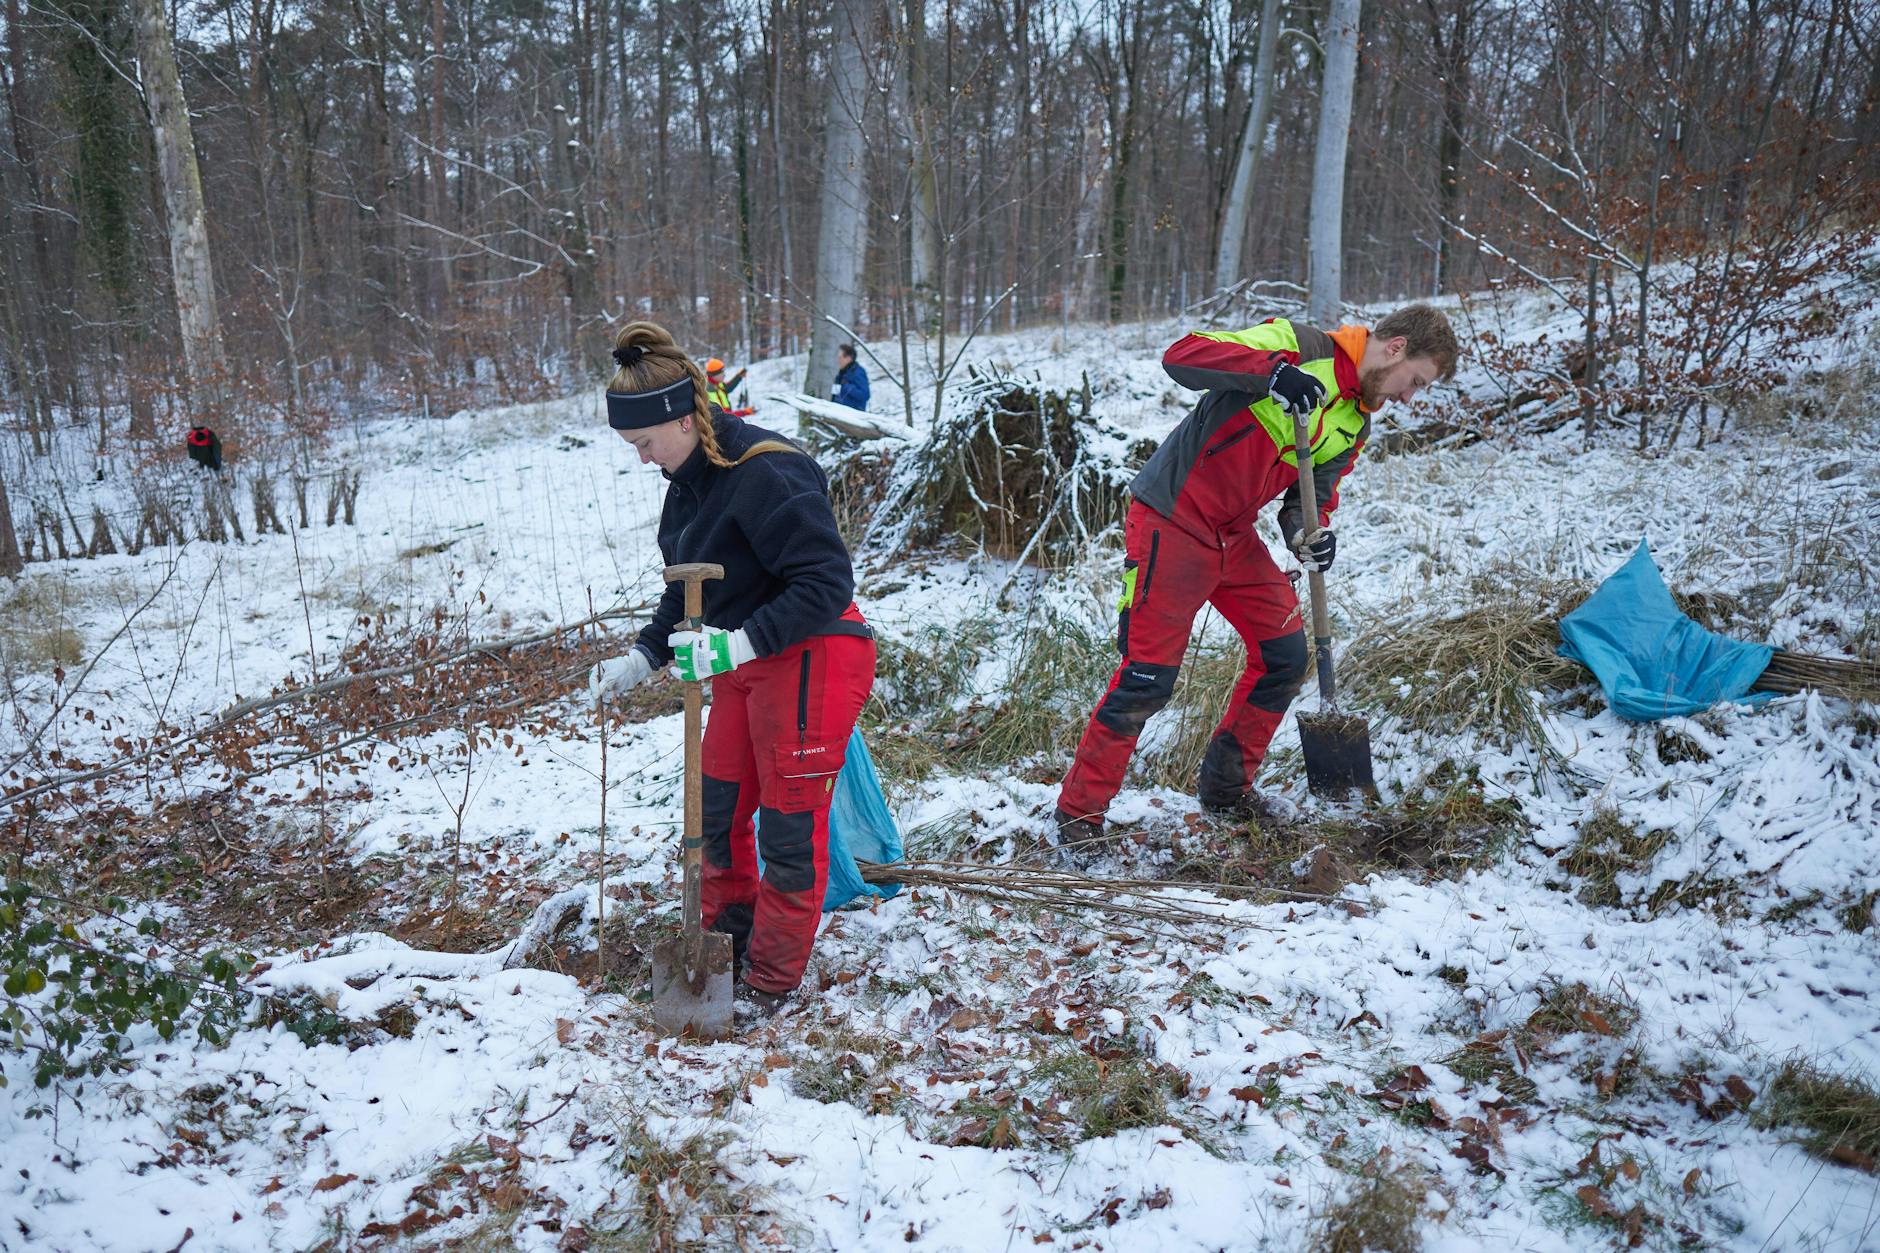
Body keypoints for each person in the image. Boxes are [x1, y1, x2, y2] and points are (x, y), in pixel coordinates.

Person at [1053, 304, 1459, 856]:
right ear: (1395, 348)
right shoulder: (1298, 345)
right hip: (1172, 518)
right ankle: (1080, 817)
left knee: (1286, 655)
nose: (1410, 397)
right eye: (1415, 381)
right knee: (1147, 677)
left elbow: (1309, 498)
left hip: (1232, 536)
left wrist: (1307, 537)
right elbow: (1184, 355)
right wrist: (1272, 371)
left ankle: (1225, 791)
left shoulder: (1355, 420)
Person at [588, 322, 876, 1017]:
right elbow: (684, 587)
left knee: (786, 826)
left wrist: (736, 646)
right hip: (745, 663)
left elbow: (825, 581)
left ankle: (772, 981)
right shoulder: (685, 484)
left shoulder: (766, 470)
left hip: (813, 652)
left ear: (682, 419)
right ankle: (726, 946)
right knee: (714, 812)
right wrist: (644, 654)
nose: (642, 459)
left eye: (645, 444)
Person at [831, 343, 870, 411]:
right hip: (838, 414)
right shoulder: (840, 375)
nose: (838, 360)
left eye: (840, 357)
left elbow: (865, 395)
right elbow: (834, 396)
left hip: (853, 416)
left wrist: (847, 386)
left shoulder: (858, 372)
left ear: (848, 358)